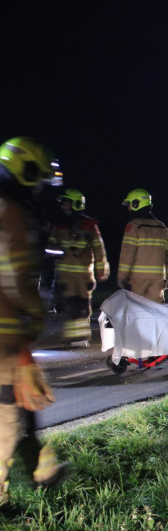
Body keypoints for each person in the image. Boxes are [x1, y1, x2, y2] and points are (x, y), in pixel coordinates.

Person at [0, 137, 69, 504]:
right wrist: (35, 313)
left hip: (8, 335)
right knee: (8, 413)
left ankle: (43, 470)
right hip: (5, 336)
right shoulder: (12, 211)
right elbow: (16, 277)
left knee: (20, 405)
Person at [46, 189, 109, 345]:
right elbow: (49, 246)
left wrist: (102, 270)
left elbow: (99, 250)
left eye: (66, 203)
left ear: (76, 204)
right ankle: (74, 337)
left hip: (84, 274)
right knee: (71, 305)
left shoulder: (89, 226)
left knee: (82, 306)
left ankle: (81, 337)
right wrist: (57, 252)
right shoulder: (59, 225)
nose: (63, 207)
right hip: (65, 273)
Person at [118, 189, 168, 303]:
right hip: (158, 278)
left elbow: (127, 254)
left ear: (136, 204)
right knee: (156, 312)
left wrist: (121, 276)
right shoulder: (162, 227)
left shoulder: (134, 226)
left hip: (137, 279)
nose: (128, 208)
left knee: (136, 311)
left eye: (129, 205)